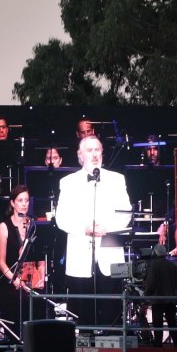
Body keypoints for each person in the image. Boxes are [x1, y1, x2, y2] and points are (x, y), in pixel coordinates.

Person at [52, 133, 132, 326]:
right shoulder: (68, 182)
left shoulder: (117, 179)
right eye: (90, 150)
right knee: (83, 312)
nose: (94, 154)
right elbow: (61, 218)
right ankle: (85, 350)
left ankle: (114, 351)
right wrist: (84, 228)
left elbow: (126, 212)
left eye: (98, 150)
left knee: (113, 312)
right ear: (80, 155)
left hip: (110, 253)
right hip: (80, 256)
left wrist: (108, 227)